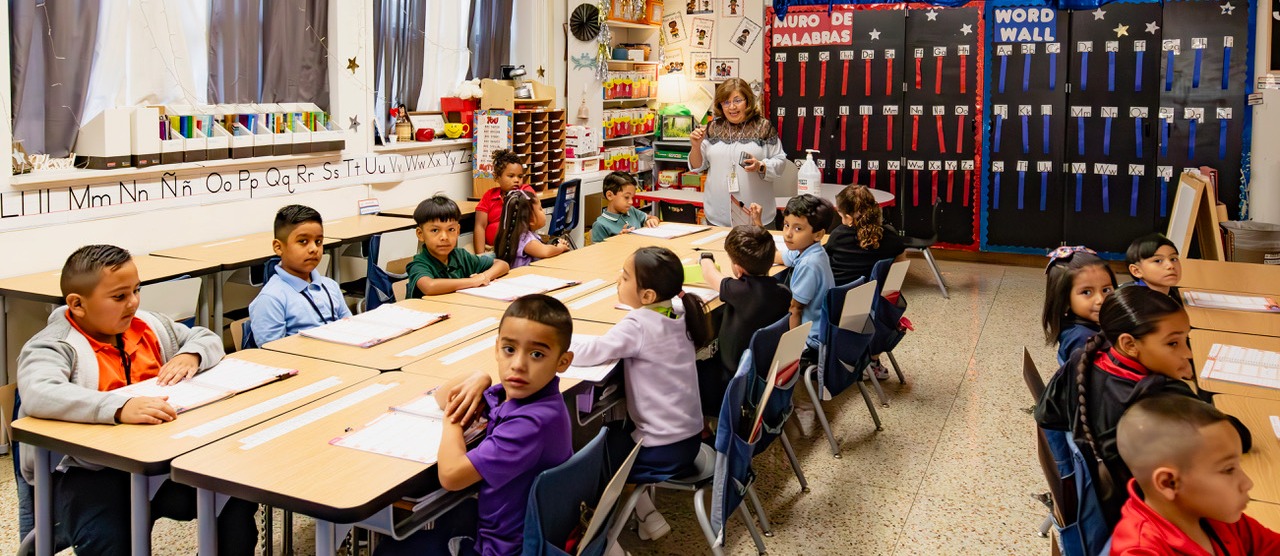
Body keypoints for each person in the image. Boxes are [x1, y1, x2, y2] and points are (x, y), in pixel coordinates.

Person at [16, 245, 258, 555]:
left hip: (158, 458)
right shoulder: (54, 344)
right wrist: (119, 407)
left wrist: (191, 353)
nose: (132, 303)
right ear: (77, 304)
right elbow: (40, 393)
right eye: (119, 297)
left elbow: (206, 337)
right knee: (109, 541)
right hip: (89, 472)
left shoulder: (148, 325)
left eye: (136, 290)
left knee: (236, 495)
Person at [1035, 286, 1252, 528]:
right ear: (1129, 344)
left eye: (1185, 340)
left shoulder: (1084, 358)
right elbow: (1240, 438)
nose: (1187, 353)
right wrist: (1189, 388)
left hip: (1103, 505)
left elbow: (1046, 414)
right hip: (1149, 517)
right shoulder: (1161, 397)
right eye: (1173, 344)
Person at [375, 295, 575, 556]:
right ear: (496, 348)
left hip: (501, 549)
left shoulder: (531, 423)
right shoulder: (525, 394)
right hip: (515, 526)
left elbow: (452, 476)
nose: (518, 364)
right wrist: (479, 376)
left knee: (390, 550)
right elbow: (441, 395)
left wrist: (453, 420)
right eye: (509, 349)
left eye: (537, 354)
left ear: (563, 362)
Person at [571, 247, 712, 543]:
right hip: (689, 440)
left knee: (591, 455)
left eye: (624, 277)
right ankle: (648, 515)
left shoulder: (638, 325)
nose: (617, 280)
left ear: (647, 296)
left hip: (660, 450)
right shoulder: (680, 311)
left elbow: (593, 352)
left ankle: (602, 537)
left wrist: (555, 343)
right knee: (617, 433)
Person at [1111, 394, 1280, 554]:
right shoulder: (1140, 550)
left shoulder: (1214, 513)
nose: (1247, 483)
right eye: (1228, 470)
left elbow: (1270, 547)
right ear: (1169, 483)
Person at [697, 225, 791, 415]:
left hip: (730, 379)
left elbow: (710, 274)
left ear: (738, 269)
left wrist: (705, 257)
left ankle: (703, 428)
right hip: (764, 374)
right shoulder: (783, 292)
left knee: (694, 369)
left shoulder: (739, 292)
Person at [688, 78, 787, 227]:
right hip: (716, 217)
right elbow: (697, 167)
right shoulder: (712, 127)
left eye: (737, 100)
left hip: (758, 220)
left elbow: (780, 162)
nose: (732, 107)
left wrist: (761, 166)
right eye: (726, 102)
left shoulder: (763, 127)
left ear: (747, 101)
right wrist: (695, 146)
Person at [248, 204, 352, 346]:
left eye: (318, 242)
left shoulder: (330, 286)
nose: (314, 249)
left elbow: (351, 329)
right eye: (303, 241)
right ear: (278, 247)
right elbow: (273, 354)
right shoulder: (271, 298)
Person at [407, 195, 510, 297]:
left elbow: (502, 264)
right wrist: (472, 281)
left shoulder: (461, 256)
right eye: (435, 230)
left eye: (451, 230)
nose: (444, 237)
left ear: (458, 231)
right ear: (420, 234)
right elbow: (429, 286)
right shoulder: (418, 264)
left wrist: (484, 276)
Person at [1042, 246, 1118, 366]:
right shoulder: (1082, 339)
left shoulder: (1088, 325)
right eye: (1087, 292)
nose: (1100, 300)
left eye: (1106, 290)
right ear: (1065, 300)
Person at [825, 185, 906, 287]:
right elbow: (901, 263)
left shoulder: (838, 235)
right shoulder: (890, 235)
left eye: (841, 216)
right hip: (873, 294)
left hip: (838, 295)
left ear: (849, 218)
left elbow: (824, 257)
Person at [474, 149, 535, 253]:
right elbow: (480, 226)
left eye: (520, 176)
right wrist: (480, 257)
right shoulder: (489, 196)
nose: (517, 180)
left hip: (519, 248)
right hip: (492, 248)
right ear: (497, 177)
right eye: (511, 176)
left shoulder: (525, 192)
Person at [493, 189, 569, 269]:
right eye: (540, 208)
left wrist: (555, 245)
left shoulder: (515, 235)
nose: (543, 211)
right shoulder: (526, 239)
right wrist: (560, 248)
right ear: (531, 220)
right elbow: (545, 251)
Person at [590, 171, 659, 243]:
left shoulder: (631, 211)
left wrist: (653, 220)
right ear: (610, 195)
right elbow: (598, 252)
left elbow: (652, 217)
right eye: (626, 197)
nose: (631, 202)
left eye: (632, 197)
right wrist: (619, 240)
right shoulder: (600, 225)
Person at [1124, 233, 1182, 303]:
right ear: (1136, 271)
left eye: (1173, 259)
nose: (1171, 265)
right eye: (1158, 261)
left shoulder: (1177, 296)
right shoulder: (1130, 303)